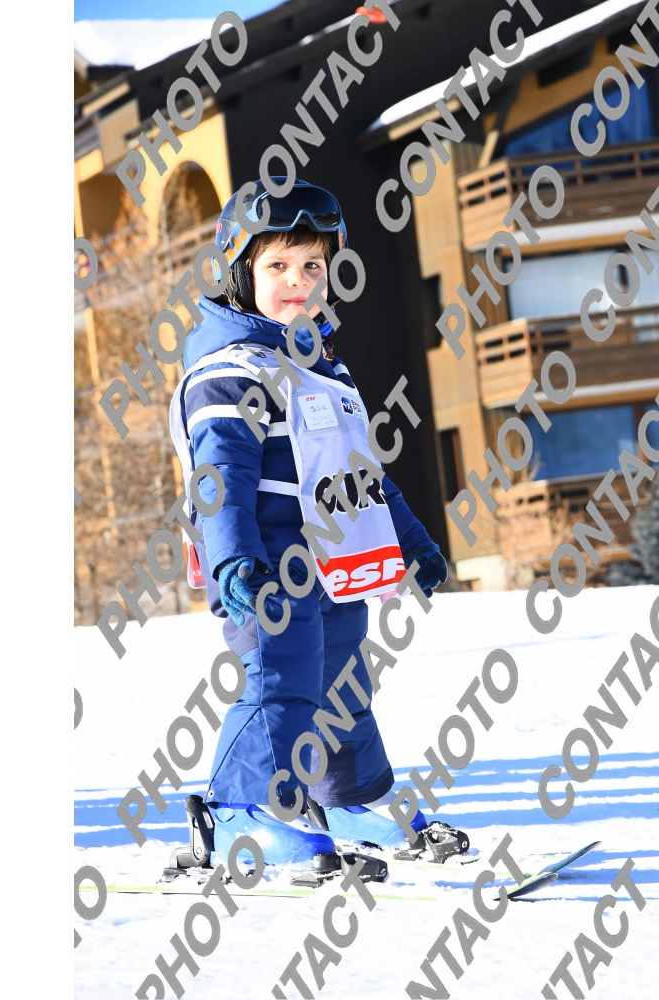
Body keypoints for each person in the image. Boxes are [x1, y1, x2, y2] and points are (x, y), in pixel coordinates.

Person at [168, 179, 451, 869]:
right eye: (278, 266)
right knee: (279, 682)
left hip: (334, 560)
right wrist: (234, 561)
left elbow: (362, 472)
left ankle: (345, 798)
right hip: (265, 563)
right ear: (240, 274)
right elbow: (218, 479)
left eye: (312, 265)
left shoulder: (325, 370)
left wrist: (411, 542)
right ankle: (235, 816)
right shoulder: (229, 372)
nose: (298, 280)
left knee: (340, 683)